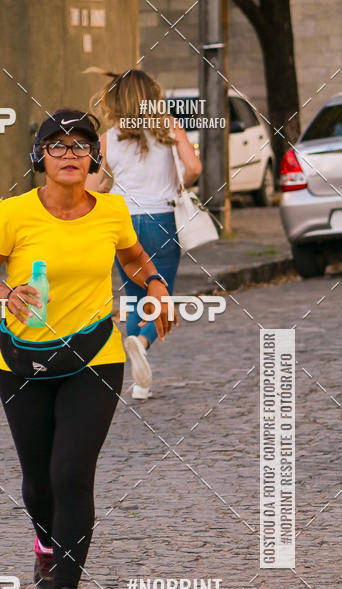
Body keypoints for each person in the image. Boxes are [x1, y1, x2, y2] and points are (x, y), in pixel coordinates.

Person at [0, 108, 176, 589]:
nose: (69, 155)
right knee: (38, 482)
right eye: (56, 146)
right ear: (39, 157)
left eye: (80, 146)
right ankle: (44, 545)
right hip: (22, 362)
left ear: (93, 159)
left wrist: (155, 284)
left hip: (94, 355)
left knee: (71, 473)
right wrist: (7, 293)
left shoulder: (111, 210)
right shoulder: (13, 213)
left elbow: (132, 258)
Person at [86, 69, 202, 399]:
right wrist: (181, 185)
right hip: (161, 219)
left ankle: (140, 383)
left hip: (123, 223)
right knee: (161, 291)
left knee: (136, 294)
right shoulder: (167, 128)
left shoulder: (107, 138)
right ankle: (141, 342)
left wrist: (108, 188)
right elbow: (193, 167)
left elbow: (90, 187)